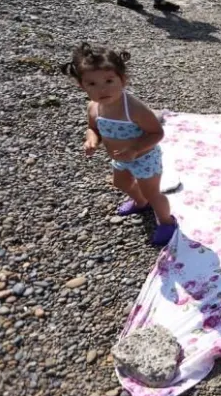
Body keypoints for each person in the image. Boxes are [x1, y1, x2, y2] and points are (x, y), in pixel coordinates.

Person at [63, 43, 178, 245]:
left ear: (123, 80)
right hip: (120, 157)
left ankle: (167, 222)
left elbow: (156, 133)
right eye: (92, 84)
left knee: (153, 193)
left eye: (109, 81)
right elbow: (93, 128)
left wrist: (135, 150)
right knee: (121, 183)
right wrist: (91, 140)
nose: (102, 89)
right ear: (82, 86)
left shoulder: (133, 108)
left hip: (144, 157)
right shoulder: (93, 107)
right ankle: (140, 202)